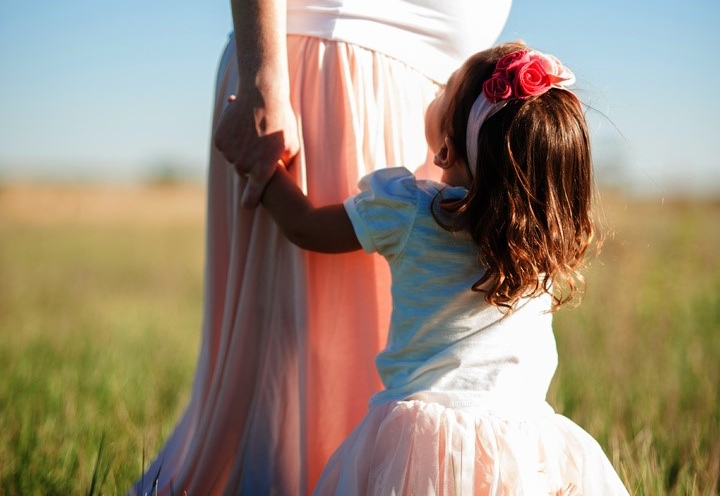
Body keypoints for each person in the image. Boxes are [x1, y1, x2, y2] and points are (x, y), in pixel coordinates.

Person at [131, 0, 514, 494]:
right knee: (294, 390)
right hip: (332, 73)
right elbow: (308, 227)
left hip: (424, 108)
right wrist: (263, 75)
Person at [254, 44, 629, 494]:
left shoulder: (410, 210)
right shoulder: (544, 245)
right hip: (520, 445)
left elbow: (305, 227)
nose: (436, 89)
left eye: (445, 89)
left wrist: (261, 166)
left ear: (447, 150)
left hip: (422, 445)